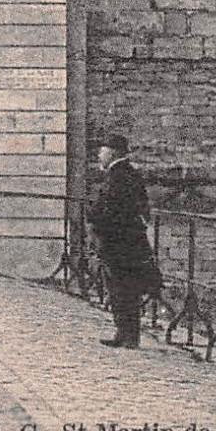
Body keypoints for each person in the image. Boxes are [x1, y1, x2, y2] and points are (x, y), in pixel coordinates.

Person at [86, 133, 162, 348]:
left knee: (120, 286)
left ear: (112, 153)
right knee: (127, 287)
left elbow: (109, 208)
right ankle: (127, 334)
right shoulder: (128, 174)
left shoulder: (117, 176)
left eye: (102, 151)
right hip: (130, 240)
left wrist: (93, 216)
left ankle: (127, 335)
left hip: (118, 241)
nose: (99, 155)